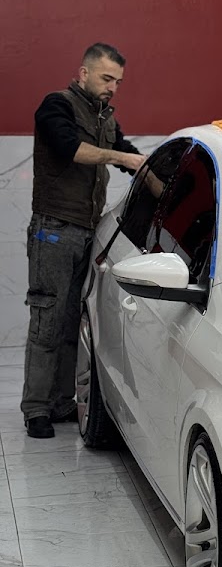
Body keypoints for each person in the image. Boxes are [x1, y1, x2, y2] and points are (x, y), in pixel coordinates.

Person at [21, 44, 146, 439]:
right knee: (47, 318)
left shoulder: (105, 116)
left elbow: (128, 153)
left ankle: (61, 402)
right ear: (84, 73)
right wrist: (123, 159)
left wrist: (158, 175)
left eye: (118, 82)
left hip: (87, 231)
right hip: (54, 230)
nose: (113, 88)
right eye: (107, 78)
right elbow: (71, 149)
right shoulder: (56, 105)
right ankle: (36, 409)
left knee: (72, 320)